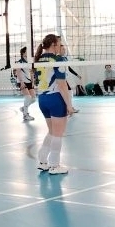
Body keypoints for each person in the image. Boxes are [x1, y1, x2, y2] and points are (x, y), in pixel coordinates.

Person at [34, 33, 74, 175]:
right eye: (59, 44)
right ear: (53, 44)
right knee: (58, 134)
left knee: (52, 132)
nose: (60, 46)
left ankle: (42, 161)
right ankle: (54, 165)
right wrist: (69, 105)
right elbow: (62, 85)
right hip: (55, 98)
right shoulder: (58, 59)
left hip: (42, 99)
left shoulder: (38, 60)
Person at [13, 46, 35, 122]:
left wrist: (32, 82)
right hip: (22, 81)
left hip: (29, 82)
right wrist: (21, 82)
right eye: (27, 51)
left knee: (33, 99)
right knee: (28, 97)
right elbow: (18, 73)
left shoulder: (30, 62)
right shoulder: (19, 62)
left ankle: (23, 108)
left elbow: (31, 72)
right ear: (23, 53)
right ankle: (25, 115)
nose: (29, 52)